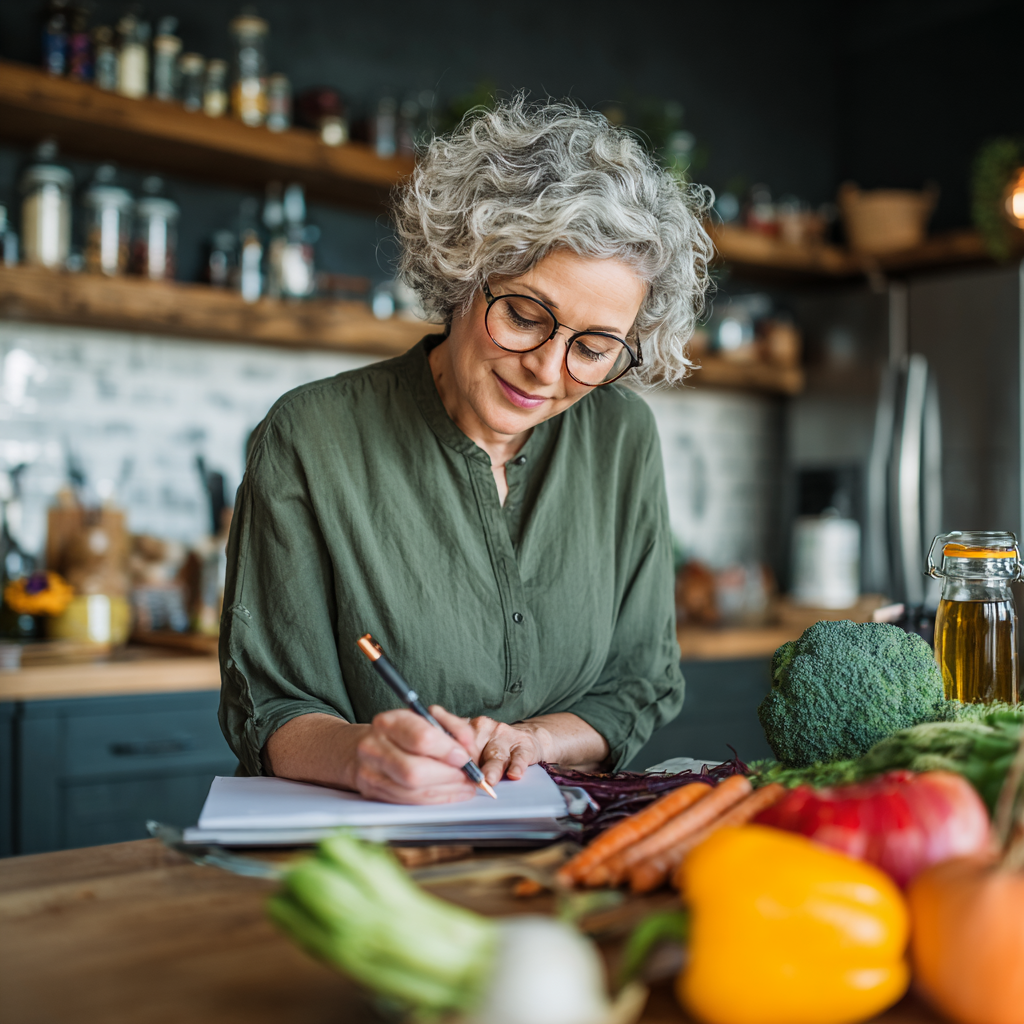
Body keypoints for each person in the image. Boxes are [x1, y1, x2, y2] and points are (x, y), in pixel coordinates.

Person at [218, 97, 713, 804]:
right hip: (361, 854)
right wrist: (363, 755)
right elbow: (270, 705)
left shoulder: (622, 437)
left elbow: (639, 679)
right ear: (461, 274)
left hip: (558, 854)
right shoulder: (309, 437)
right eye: (523, 314)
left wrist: (535, 742)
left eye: (595, 347)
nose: (547, 369)